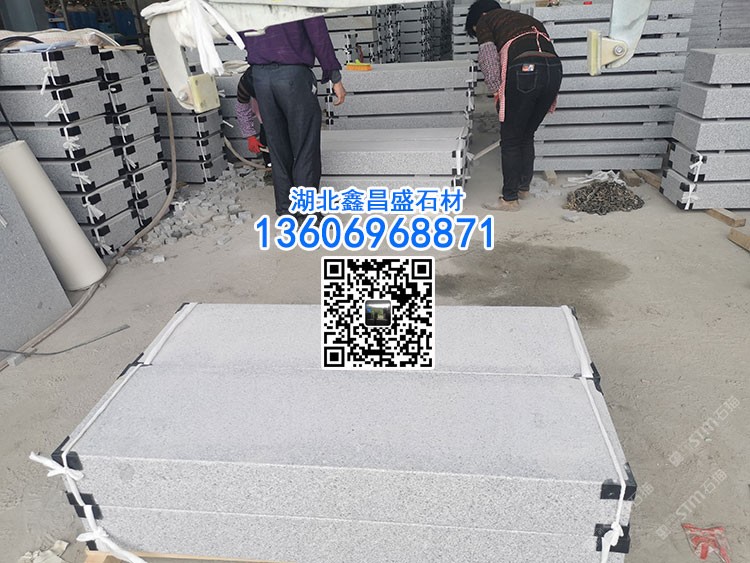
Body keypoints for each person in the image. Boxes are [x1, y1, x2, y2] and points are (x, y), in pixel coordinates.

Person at [241, 17, 346, 218]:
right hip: (292, 74)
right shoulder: (299, 3)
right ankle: (307, 212)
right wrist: (335, 77)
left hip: (260, 77)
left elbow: (231, 30)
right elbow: (318, 34)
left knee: (277, 147)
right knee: (305, 146)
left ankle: (285, 209)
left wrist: (259, 45)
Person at [466, 0, 562, 211]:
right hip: (554, 70)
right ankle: (522, 188)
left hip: (526, 69)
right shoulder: (528, 20)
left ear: (478, 17)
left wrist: (496, 90)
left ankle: (509, 199)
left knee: (510, 138)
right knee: (526, 134)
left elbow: (488, 56)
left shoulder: (485, 20)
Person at [235, 66, 271, 170]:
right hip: (266, 122)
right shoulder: (246, 83)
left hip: (290, 120)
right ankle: (271, 169)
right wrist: (250, 136)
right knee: (270, 156)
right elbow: (242, 109)